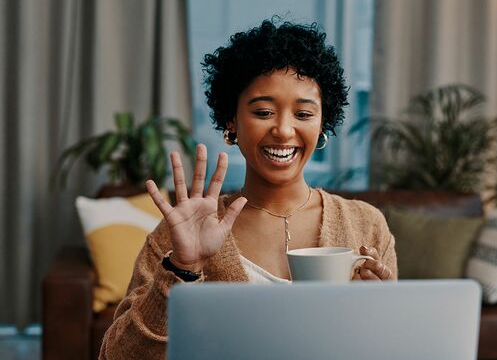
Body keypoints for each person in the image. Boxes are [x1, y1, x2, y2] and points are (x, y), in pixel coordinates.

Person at [99, 18, 397, 359]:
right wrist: (182, 269)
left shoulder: (367, 226)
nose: (284, 131)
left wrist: (382, 313)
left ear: (322, 123)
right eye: (264, 111)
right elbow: (117, 356)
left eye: (303, 113)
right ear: (232, 120)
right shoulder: (182, 234)